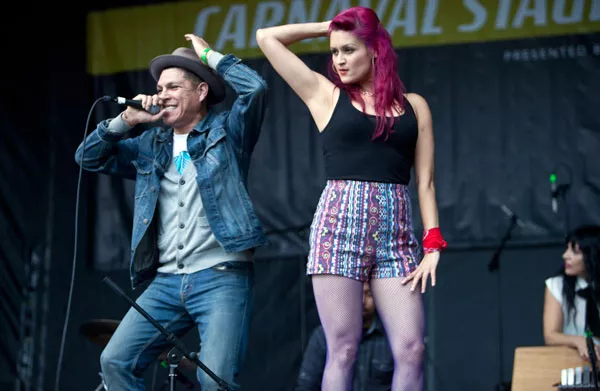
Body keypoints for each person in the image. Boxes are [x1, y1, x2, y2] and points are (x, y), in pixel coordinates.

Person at [256, 6, 447, 390]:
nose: (338, 61)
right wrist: (327, 27)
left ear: (375, 50)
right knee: (342, 348)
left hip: (395, 241)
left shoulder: (415, 107)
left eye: (348, 50)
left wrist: (433, 244)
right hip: (338, 231)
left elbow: (425, 183)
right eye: (334, 51)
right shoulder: (325, 96)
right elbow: (266, 38)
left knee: (411, 349)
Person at [75, 33, 268, 390]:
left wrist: (211, 56)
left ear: (201, 92)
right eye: (160, 87)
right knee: (114, 361)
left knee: (216, 383)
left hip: (221, 275)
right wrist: (126, 122)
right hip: (166, 281)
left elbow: (255, 89)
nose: (162, 95)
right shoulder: (151, 144)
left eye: (174, 87)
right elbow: (87, 157)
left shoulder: (228, 130)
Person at [296, 281, 393, 390]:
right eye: (357, 293)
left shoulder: (391, 337)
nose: (362, 301)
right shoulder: (323, 336)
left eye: (369, 294)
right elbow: (307, 385)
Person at [544, 225, 600, 361]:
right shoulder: (556, 285)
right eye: (567, 249)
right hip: (571, 360)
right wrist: (578, 341)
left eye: (575, 252)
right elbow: (550, 335)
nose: (565, 256)